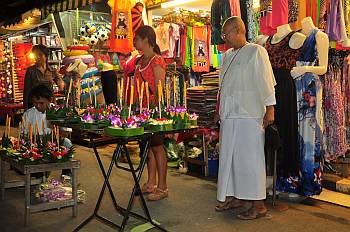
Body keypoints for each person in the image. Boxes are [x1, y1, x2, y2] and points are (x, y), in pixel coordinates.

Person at [214, 17, 276, 220]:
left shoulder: (256, 51)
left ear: (238, 30)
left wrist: (270, 109)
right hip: (229, 114)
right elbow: (223, 86)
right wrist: (218, 109)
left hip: (249, 114)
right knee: (230, 160)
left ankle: (258, 205)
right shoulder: (227, 56)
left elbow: (266, 81)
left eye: (226, 34)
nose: (224, 38)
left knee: (250, 160)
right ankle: (238, 197)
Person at [133, 25, 168, 201]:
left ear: (146, 39)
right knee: (147, 148)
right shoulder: (139, 61)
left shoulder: (157, 61)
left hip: (154, 112)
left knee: (157, 147)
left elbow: (160, 90)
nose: (134, 42)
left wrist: (155, 112)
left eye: (136, 38)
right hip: (141, 112)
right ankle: (150, 183)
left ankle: (162, 187)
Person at [23, 84, 72, 176]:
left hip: (53, 143)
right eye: (35, 102)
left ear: (50, 100)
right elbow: (24, 135)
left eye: (41, 103)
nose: (37, 106)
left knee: (67, 143)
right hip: (35, 144)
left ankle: (67, 174)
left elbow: (66, 132)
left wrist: (55, 127)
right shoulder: (28, 114)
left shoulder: (59, 111)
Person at [23, 44, 65, 110]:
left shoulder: (52, 70)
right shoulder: (31, 70)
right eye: (35, 55)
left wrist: (61, 83)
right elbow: (26, 91)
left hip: (50, 103)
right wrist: (26, 108)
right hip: (36, 104)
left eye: (40, 55)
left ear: (46, 56)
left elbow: (61, 84)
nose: (37, 57)